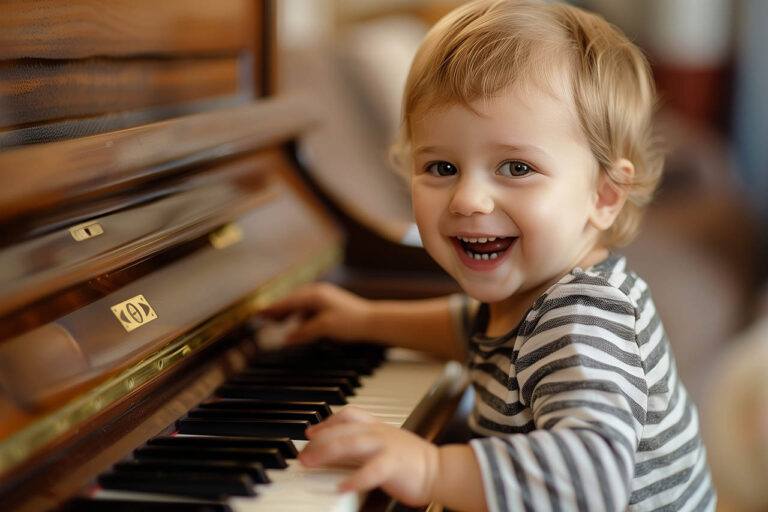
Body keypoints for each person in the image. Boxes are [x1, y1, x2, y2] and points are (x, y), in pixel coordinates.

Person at [265, 0, 715, 510]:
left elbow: (590, 478)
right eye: (441, 168)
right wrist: (366, 318)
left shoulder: (582, 317)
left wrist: (431, 469)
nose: (467, 200)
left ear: (604, 195)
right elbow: (471, 329)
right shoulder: (534, 297)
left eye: (516, 168)